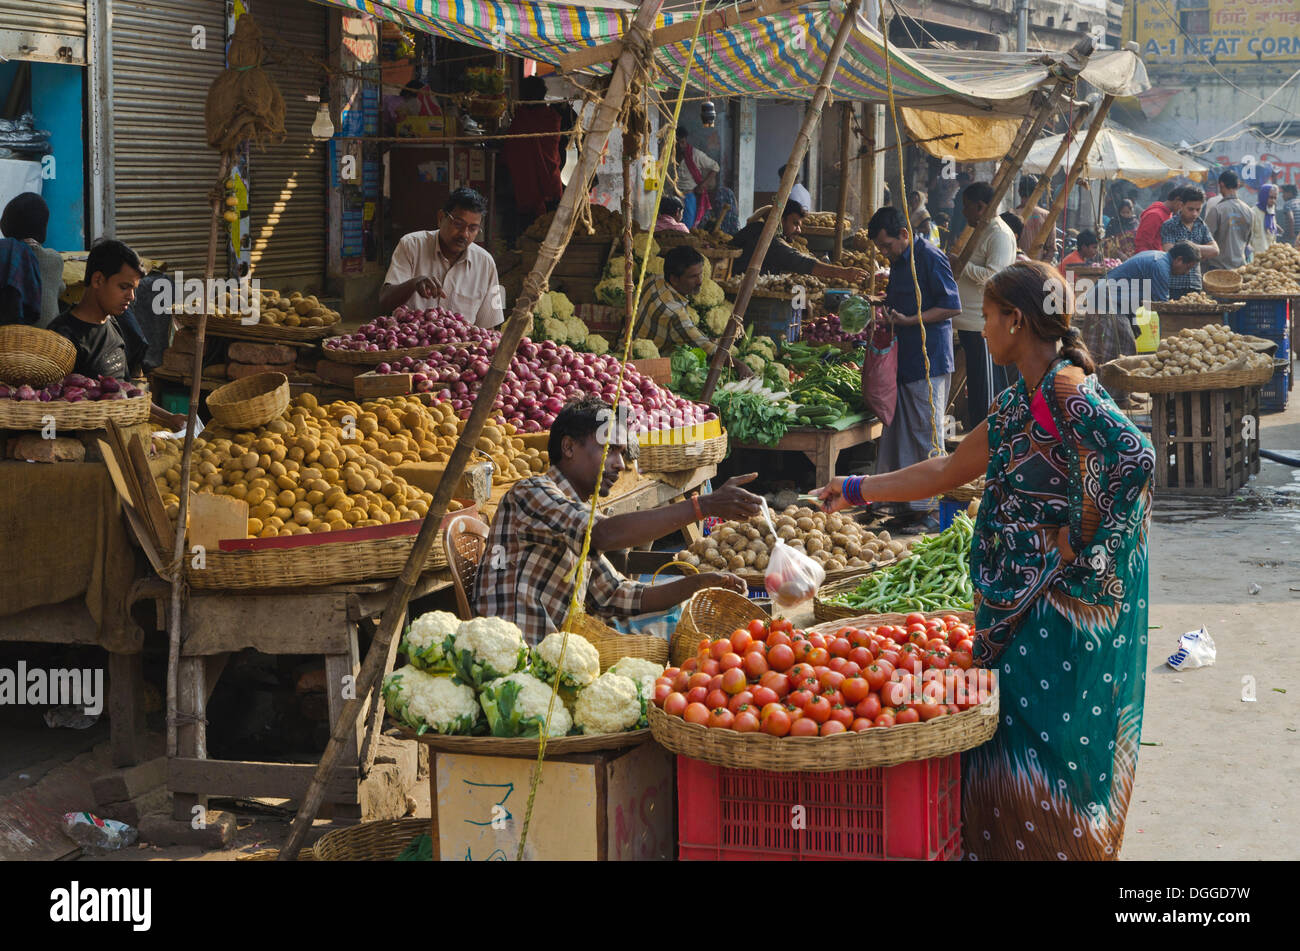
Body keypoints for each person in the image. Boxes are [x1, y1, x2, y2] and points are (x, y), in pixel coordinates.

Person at [815, 260, 1154, 861]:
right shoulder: (1027, 396)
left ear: (1016, 321)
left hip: (1063, 608)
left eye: (990, 315)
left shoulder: (1064, 389)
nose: (984, 326)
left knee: (1052, 747)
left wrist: (1079, 540)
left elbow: (1136, 457)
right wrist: (855, 490)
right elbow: (946, 471)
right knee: (1014, 735)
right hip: (1023, 601)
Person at [473, 397, 763, 643]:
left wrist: (698, 584)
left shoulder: (573, 511)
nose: (620, 464)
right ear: (569, 447)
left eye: (622, 453)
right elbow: (602, 534)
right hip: (517, 656)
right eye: (608, 449)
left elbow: (616, 594)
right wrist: (703, 505)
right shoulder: (531, 494)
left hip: (557, 653)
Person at [866, 205, 962, 533]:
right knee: (901, 434)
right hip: (904, 360)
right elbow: (903, 300)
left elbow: (951, 306)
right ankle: (907, 506)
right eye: (880, 248)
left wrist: (910, 321)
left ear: (904, 235)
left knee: (927, 434)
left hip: (928, 360)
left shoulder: (930, 257)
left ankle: (932, 512)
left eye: (887, 245)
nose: (884, 252)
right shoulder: (900, 262)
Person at [47, 239, 184, 429]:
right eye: (124, 287)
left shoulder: (114, 324)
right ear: (98, 280)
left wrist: (169, 418)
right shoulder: (62, 336)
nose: (132, 297)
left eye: (134, 289)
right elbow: (52, 406)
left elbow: (127, 392)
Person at [1082, 243, 1199, 401]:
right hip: (1107, 301)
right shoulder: (1161, 266)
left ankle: (1121, 393)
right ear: (1179, 259)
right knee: (1114, 348)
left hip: (1113, 301)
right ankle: (1114, 398)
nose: (1187, 272)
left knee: (1118, 347)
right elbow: (1162, 305)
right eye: (1188, 267)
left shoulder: (1157, 257)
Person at [380, 187, 503, 328]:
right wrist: (414, 283)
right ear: (440, 218)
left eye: (473, 228)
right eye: (458, 224)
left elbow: (489, 326)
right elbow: (385, 301)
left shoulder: (486, 263)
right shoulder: (411, 245)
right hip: (411, 347)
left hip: (462, 348)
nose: (464, 234)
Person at [950, 182, 1017, 434]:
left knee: (988, 392)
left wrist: (961, 264)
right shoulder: (983, 231)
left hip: (983, 325)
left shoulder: (998, 233)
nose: (964, 212)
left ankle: (993, 441)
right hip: (970, 324)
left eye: (967, 207)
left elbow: (994, 276)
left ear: (980, 207)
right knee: (978, 388)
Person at [633, 245, 744, 373]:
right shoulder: (674, 312)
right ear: (674, 279)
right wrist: (739, 366)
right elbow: (706, 348)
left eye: (700, 274)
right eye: (693, 276)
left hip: (630, 345)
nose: (700, 281)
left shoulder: (653, 280)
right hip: (646, 366)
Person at [731, 201, 869, 283]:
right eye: (795, 223)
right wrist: (843, 273)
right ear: (781, 220)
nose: (798, 230)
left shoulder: (761, 229)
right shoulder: (765, 237)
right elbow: (798, 261)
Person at [501, 76, 563, 231]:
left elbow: (509, 153)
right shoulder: (553, 118)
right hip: (551, 186)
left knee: (527, 236)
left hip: (525, 190)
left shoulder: (521, 120)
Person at [1, 192, 63, 327]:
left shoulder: (3, 252)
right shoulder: (55, 259)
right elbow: (60, 289)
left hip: (6, 339)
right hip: (46, 342)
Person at [1159, 185, 1217, 298]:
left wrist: (1188, 247)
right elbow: (1170, 251)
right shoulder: (1170, 225)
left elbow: (1215, 250)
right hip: (1174, 284)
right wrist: (1200, 252)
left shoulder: (1201, 225)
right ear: (1181, 205)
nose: (1194, 213)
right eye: (1190, 209)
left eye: (1198, 210)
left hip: (1195, 284)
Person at [1202, 171, 1254, 271]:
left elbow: (1205, 240)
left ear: (1221, 185)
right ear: (1237, 185)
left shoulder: (1217, 210)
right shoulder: (1249, 211)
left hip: (1218, 269)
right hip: (1240, 268)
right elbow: (1248, 240)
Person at [674, 127, 719, 229]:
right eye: (677, 143)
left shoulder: (696, 155)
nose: (680, 146)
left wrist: (703, 184)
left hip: (689, 196)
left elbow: (715, 167)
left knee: (687, 228)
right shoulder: (669, 155)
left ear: (686, 141)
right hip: (674, 197)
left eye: (682, 142)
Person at [1135, 186, 1184, 253]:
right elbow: (1142, 244)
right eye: (1182, 205)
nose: (1182, 209)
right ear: (1177, 199)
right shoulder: (1155, 215)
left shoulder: (1169, 213)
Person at [1017, 175, 1052, 259]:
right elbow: (1051, 250)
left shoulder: (1010, 215)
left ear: (1018, 192)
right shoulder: (1047, 216)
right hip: (1039, 269)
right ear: (1038, 193)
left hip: (1017, 268)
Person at [1250, 183, 1280, 256]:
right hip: (1257, 254)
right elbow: (1249, 236)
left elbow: (1273, 235)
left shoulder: (1271, 212)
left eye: (1275, 198)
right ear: (1263, 196)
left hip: (1270, 255)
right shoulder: (1253, 212)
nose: (1273, 201)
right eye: (1270, 197)